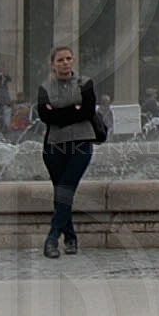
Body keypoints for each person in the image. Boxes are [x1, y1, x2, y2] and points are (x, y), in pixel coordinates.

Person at [33, 46, 108, 258]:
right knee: (60, 193)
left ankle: (52, 239)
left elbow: (87, 110)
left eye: (68, 59)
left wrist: (60, 112)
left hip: (81, 144)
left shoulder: (85, 83)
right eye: (60, 60)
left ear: (73, 61)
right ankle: (71, 237)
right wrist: (73, 110)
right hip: (54, 147)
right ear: (53, 64)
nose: (65, 63)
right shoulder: (45, 87)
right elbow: (45, 117)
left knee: (66, 190)